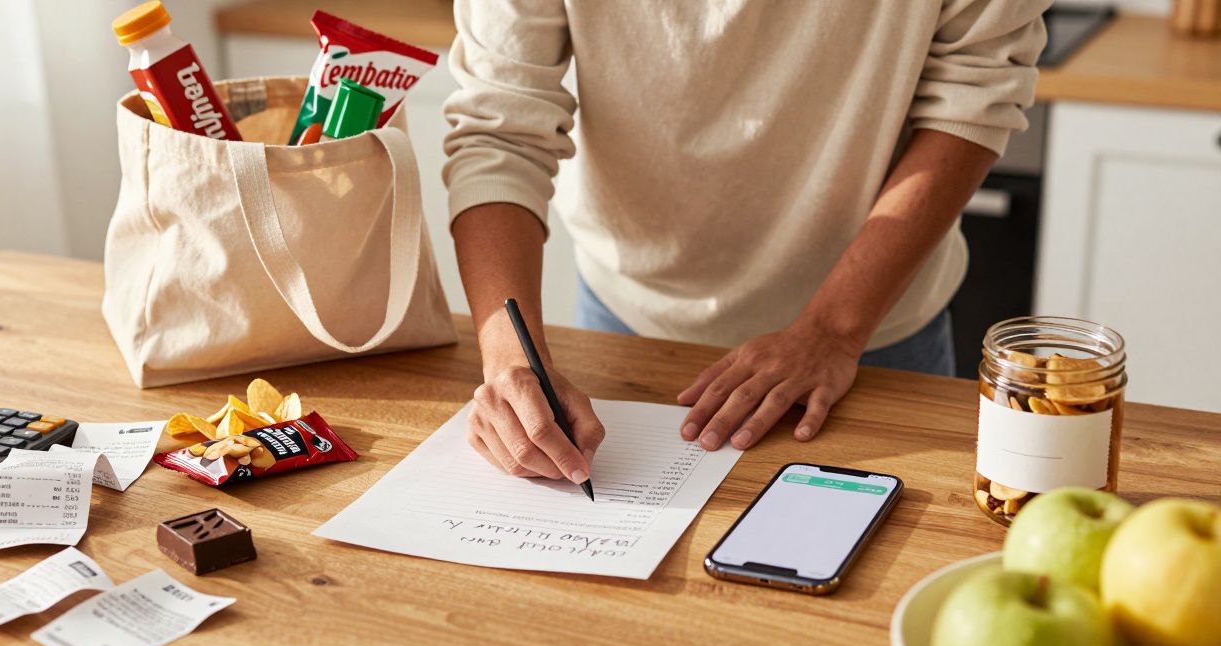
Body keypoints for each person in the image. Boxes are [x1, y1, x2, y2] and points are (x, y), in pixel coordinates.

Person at [443, 0, 1048, 483]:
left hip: (873, 334)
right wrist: (511, 360)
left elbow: (974, 95)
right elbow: (501, 133)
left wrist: (833, 330)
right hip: (628, 320)